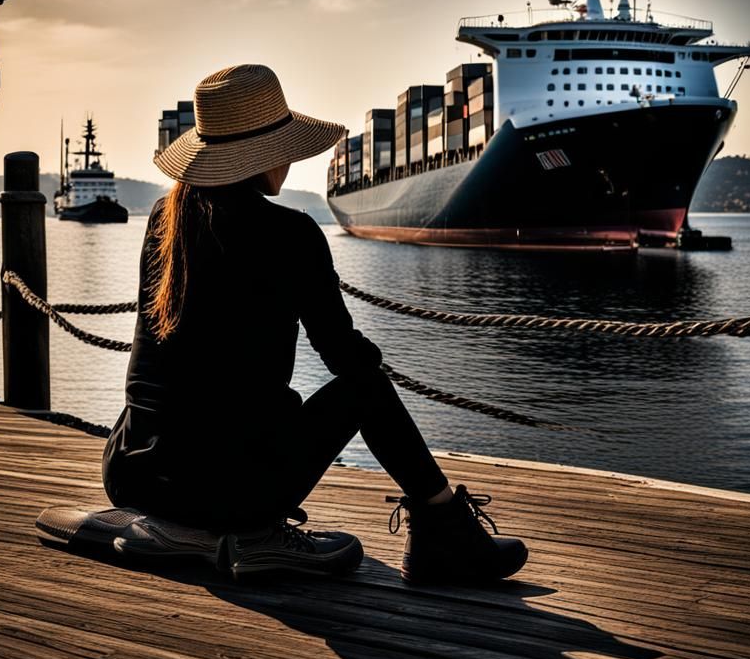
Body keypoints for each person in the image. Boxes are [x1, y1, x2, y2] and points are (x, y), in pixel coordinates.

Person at [100, 64, 528, 584]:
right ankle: (443, 525)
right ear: (267, 153)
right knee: (365, 385)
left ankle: (187, 526)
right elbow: (345, 357)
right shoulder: (291, 234)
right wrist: (370, 360)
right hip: (228, 494)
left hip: (131, 473)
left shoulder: (164, 219)